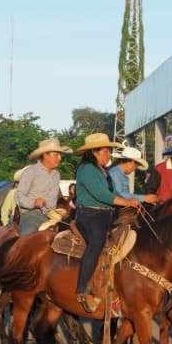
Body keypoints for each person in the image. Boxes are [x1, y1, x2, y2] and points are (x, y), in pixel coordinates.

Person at [72, 133, 141, 313]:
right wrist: (128, 202)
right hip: (88, 215)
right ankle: (82, 288)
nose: (109, 155)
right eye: (106, 151)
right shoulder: (86, 169)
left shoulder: (101, 170)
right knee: (97, 243)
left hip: (106, 216)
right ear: (95, 152)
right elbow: (102, 195)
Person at [15, 138, 71, 234]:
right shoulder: (30, 171)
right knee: (27, 238)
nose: (60, 158)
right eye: (56, 155)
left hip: (52, 216)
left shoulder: (56, 175)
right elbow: (18, 196)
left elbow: (53, 201)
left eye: (60, 155)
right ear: (45, 155)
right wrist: (33, 203)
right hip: (30, 215)